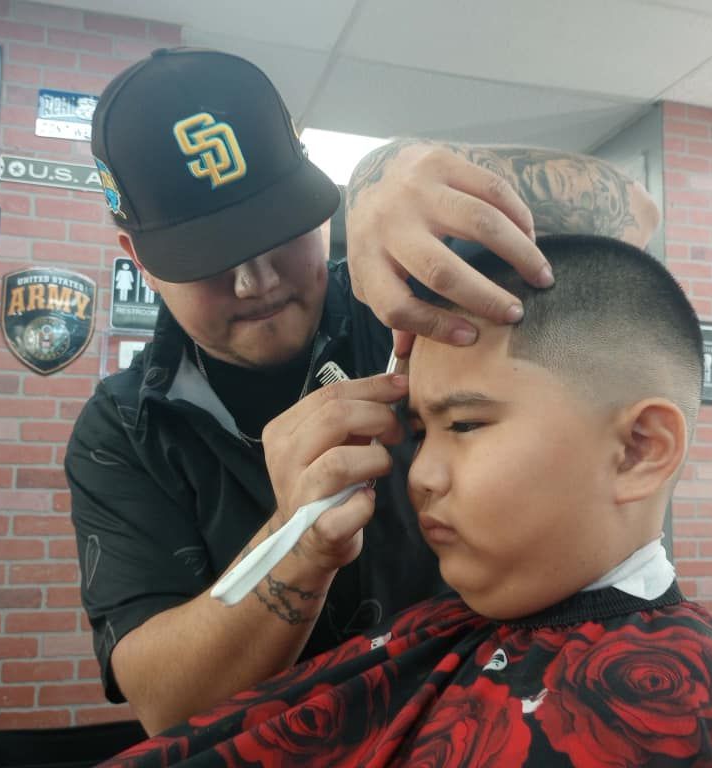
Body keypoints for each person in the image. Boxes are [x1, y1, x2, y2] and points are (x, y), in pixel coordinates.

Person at [97, 235, 712, 767]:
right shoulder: (118, 427)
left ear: (640, 449)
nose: (419, 475)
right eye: (420, 431)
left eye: (464, 424)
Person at [65, 47, 661, 735]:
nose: (257, 281)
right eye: (209, 259)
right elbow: (164, 705)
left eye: (276, 232)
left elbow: (636, 213)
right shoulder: (123, 428)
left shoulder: (416, 296)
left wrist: (392, 168)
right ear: (136, 256)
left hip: (490, 725)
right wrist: (299, 545)